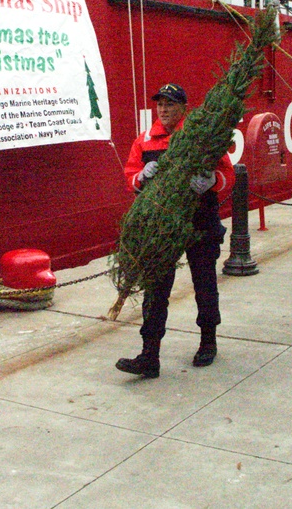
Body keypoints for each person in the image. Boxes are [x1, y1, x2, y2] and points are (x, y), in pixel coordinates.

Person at [116, 83, 234, 379]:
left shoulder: (199, 137)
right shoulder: (144, 140)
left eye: (170, 104)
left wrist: (212, 181)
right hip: (162, 229)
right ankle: (149, 355)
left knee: (205, 283)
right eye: (160, 104)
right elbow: (130, 175)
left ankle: (208, 341)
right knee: (156, 289)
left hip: (200, 222)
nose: (164, 109)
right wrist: (140, 177)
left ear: (183, 108)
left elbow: (227, 173)